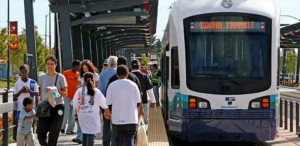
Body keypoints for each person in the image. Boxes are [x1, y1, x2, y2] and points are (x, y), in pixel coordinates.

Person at [105, 56, 142, 146]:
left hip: (117, 119)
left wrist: (108, 112)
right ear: (127, 73)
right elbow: (138, 101)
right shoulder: (133, 85)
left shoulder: (112, 85)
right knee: (129, 139)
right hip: (131, 118)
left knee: (117, 140)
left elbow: (108, 102)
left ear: (117, 74)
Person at [73, 72, 111, 146]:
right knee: (90, 134)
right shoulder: (96, 91)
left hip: (82, 115)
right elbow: (104, 103)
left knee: (85, 133)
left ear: (83, 80)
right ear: (93, 80)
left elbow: (75, 103)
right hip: (92, 115)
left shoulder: (79, 91)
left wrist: (74, 114)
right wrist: (107, 110)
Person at [37, 56, 68, 146]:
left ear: (56, 65)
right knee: (40, 133)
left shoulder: (60, 77)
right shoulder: (42, 77)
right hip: (45, 106)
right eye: (48, 64)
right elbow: (40, 94)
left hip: (57, 106)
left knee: (54, 132)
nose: (50, 66)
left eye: (52, 64)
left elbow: (66, 94)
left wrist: (56, 89)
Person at [73, 59, 99, 144]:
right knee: (82, 120)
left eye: (87, 68)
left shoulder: (95, 75)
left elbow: (97, 88)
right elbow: (77, 86)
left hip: (92, 101)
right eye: (84, 68)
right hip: (83, 101)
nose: (85, 70)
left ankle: (91, 136)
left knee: (91, 121)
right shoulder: (80, 76)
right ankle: (80, 136)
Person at [131, 59, 156, 131]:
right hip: (144, 102)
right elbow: (150, 91)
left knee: (133, 123)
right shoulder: (145, 76)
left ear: (131, 66)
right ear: (139, 66)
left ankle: (135, 139)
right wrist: (153, 102)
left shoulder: (128, 76)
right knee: (145, 122)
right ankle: (144, 138)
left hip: (131, 105)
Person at [61, 60, 81, 134]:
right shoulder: (66, 73)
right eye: (79, 66)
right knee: (66, 112)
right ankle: (62, 127)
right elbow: (61, 83)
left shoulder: (79, 75)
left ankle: (70, 130)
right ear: (75, 66)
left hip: (74, 97)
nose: (80, 67)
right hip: (66, 96)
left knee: (72, 113)